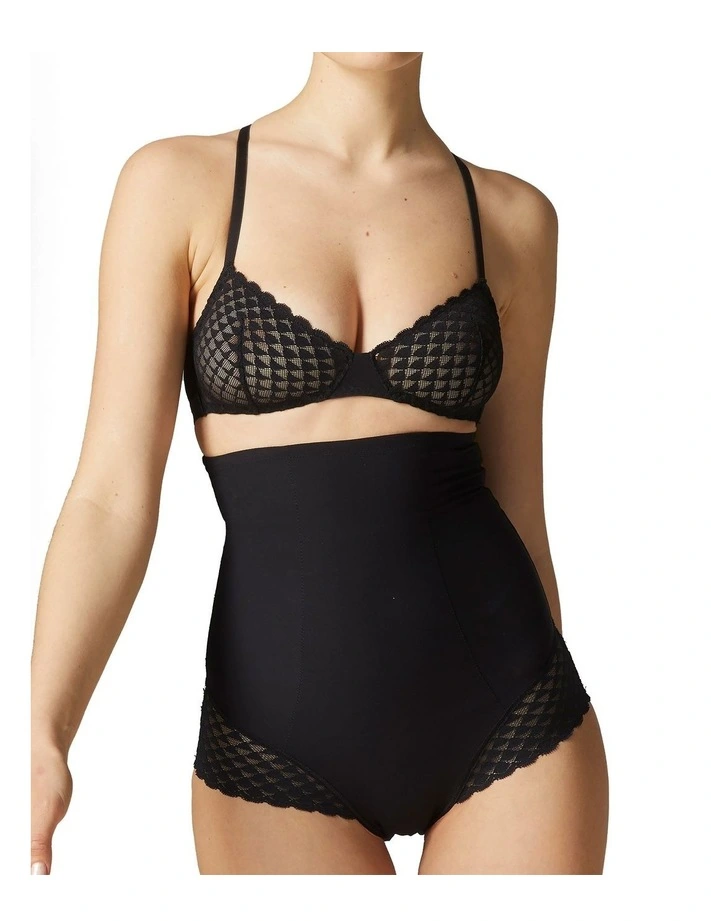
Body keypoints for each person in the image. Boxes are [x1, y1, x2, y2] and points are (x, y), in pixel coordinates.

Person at [31, 52, 609, 875]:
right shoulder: (178, 184)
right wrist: (42, 730)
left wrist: (545, 686)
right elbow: (111, 496)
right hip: (274, 746)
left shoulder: (515, 217)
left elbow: (522, 508)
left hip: (514, 722)